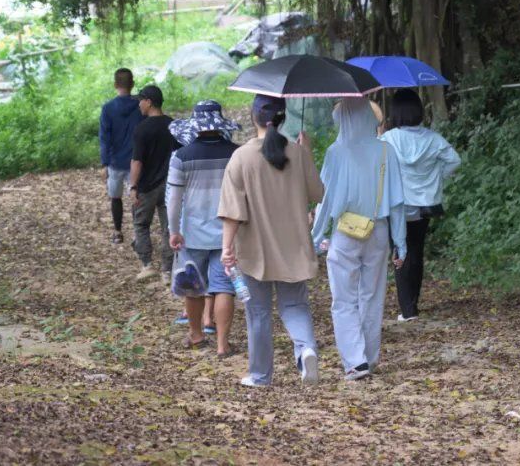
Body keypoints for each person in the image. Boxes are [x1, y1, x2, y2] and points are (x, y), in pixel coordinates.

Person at [218, 95, 325, 387]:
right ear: (283, 118)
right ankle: (306, 349)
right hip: (293, 244)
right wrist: (307, 154)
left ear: (254, 118)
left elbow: (232, 211)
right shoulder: (298, 152)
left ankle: (261, 375)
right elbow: (318, 193)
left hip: (255, 249)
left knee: (258, 312)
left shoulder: (241, 157)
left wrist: (227, 248)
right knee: (295, 306)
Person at [312, 98, 407, 380]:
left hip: (345, 230)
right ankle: (370, 356)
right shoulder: (385, 150)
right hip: (378, 230)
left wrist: (316, 236)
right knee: (372, 295)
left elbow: (324, 200)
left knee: (343, 299)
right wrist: (400, 241)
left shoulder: (335, 152)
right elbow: (398, 202)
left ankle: (355, 361)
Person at [166, 100, 241, 353]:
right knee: (224, 287)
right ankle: (222, 344)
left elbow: (174, 199)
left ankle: (197, 335)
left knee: (193, 287)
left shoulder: (181, 156)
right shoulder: (236, 153)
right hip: (228, 232)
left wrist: (173, 230)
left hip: (192, 232)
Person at [381, 88, 461, 321]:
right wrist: (437, 176)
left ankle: (408, 310)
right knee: (416, 251)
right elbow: (455, 160)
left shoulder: (389, 139)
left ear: (396, 113)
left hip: (398, 204)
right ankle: (412, 303)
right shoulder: (432, 138)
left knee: (399, 250)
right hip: (424, 206)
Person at [129, 85, 177, 284]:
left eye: (140, 100)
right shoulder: (173, 126)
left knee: (141, 224)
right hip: (171, 185)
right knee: (168, 227)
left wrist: (133, 186)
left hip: (147, 186)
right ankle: (167, 271)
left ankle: (147, 265)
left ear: (149, 101)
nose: (139, 104)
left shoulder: (142, 128)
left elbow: (137, 161)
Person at [99, 68, 143, 244]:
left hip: (116, 161)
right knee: (135, 197)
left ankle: (117, 232)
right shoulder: (140, 106)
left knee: (115, 197)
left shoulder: (108, 108)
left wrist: (104, 162)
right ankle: (137, 233)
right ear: (132, 84)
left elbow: (104, 137)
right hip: (136, 160)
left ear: (115, 85)